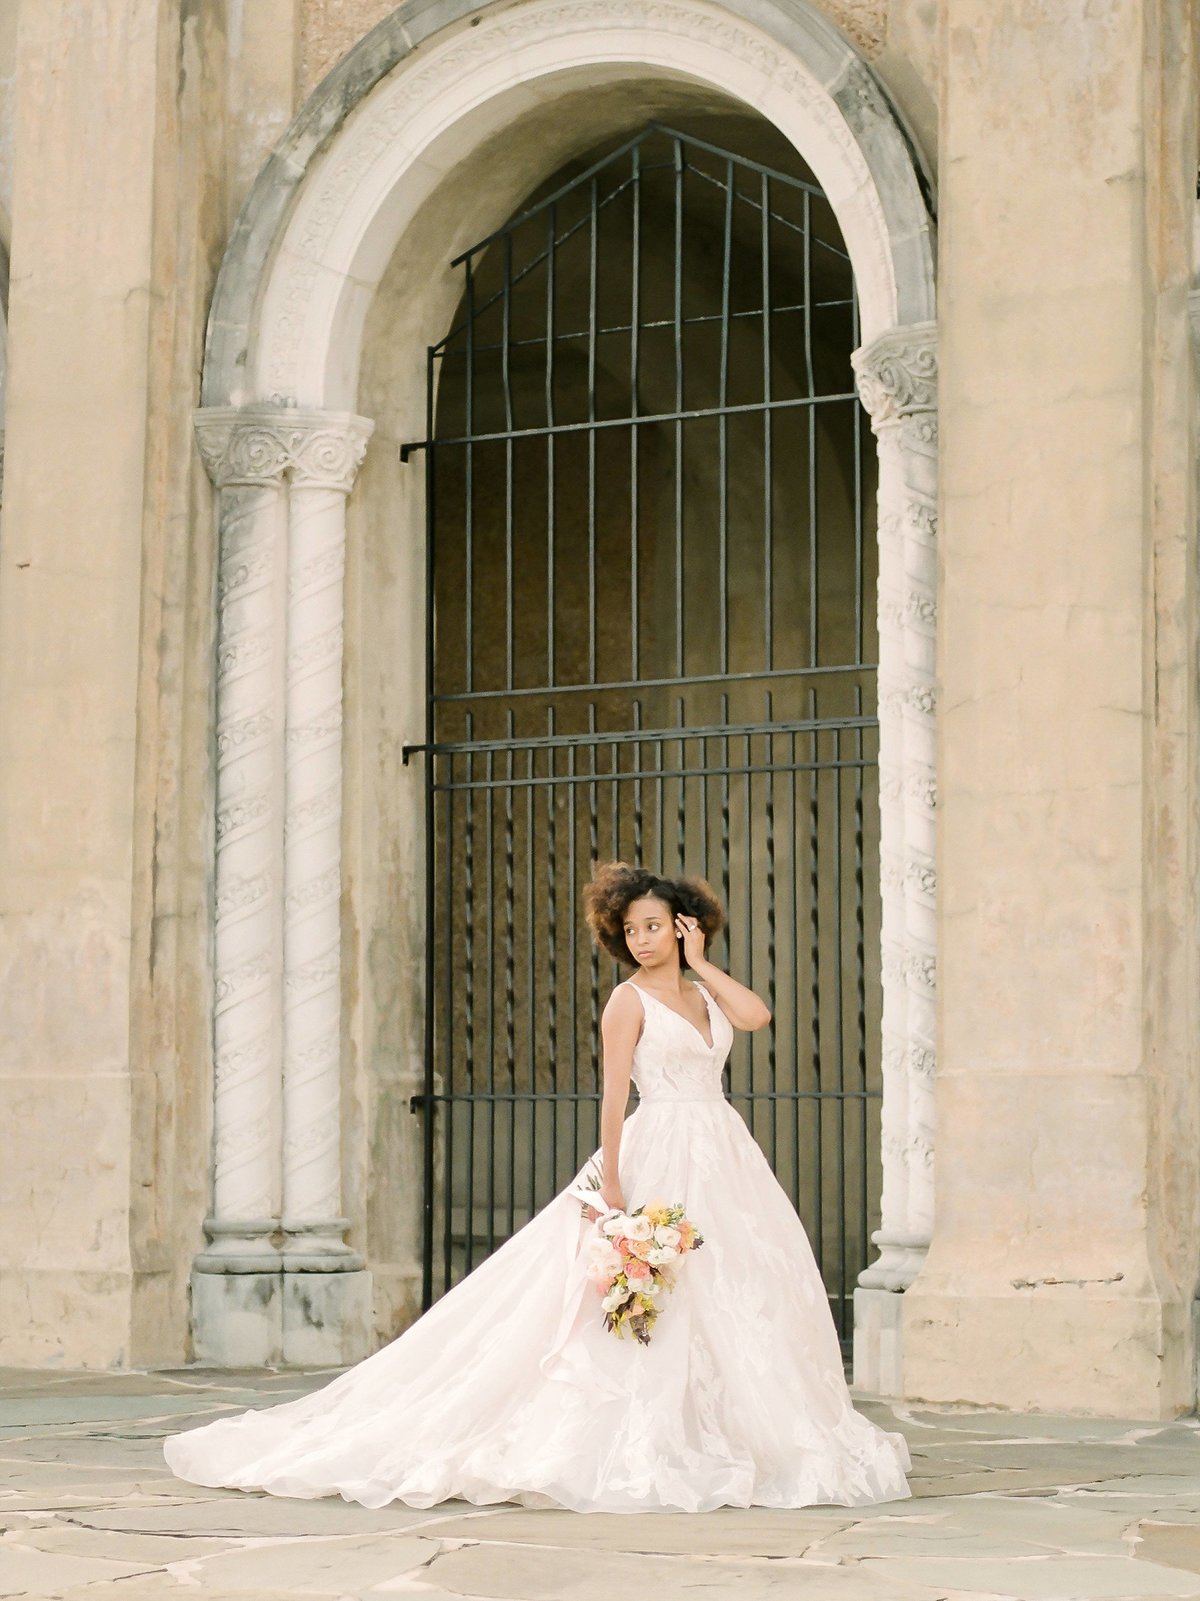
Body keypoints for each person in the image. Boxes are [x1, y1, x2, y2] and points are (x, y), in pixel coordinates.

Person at [162, 861, 911, 1513]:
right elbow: (614, 1096)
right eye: (633, 928)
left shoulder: (705, 994)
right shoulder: (628, 1002)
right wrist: (613, 1184)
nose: (643, 938)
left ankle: (729, 1427)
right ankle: (639, 1429)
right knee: (648, 1296)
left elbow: (757, 1014)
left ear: (682, 926)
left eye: (656, 926)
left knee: (734, 1288)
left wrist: (701, 960)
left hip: (723, 1150)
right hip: (659, 1147)